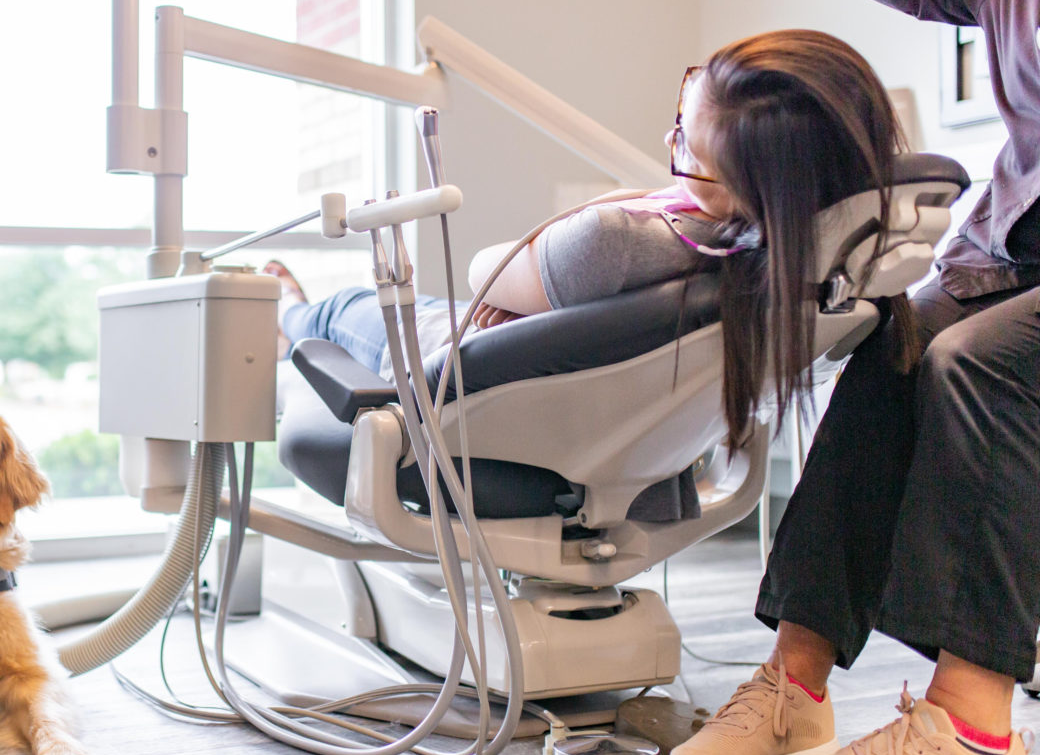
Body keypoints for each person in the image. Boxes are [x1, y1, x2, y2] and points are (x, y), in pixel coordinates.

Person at [669, 0, 1040, 755]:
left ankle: (974, 736)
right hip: (1014, 251)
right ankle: (797, 681)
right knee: (895, 345)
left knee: (978, 363)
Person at [278, 28, 907, 458]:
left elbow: (481, 271)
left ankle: (286, 313)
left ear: (746, 183)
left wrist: (535, 288)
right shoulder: (789, 256)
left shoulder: (612, 242)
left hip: (470, 377)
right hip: (568, 390)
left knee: (336, 312)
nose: (671, 136)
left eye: (687, 143)